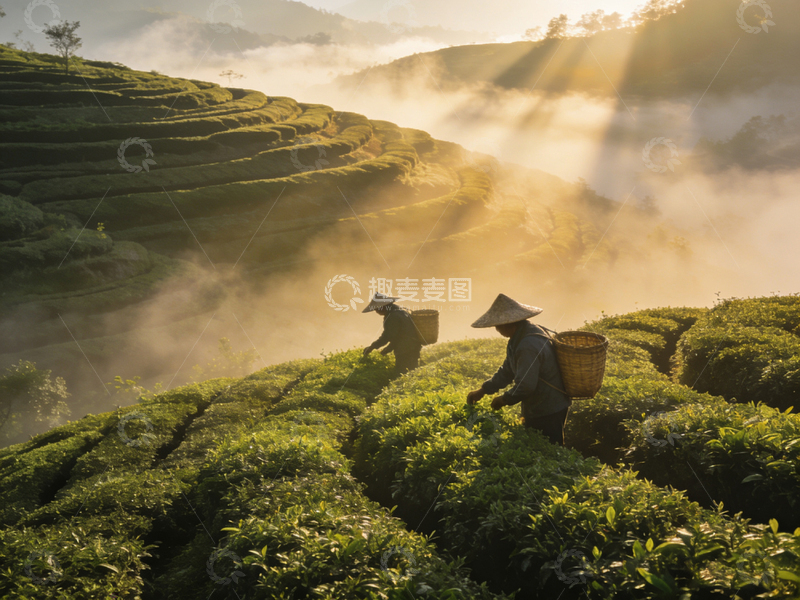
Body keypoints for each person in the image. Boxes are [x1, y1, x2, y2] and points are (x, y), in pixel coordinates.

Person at [466, 293, 571, 446]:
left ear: (510, 323)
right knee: (540, 447)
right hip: (543, 404)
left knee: (549, 449)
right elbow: (507, 370)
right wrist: (484, 390)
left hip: (548, 407)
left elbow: (526, 385)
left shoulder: (527, 345)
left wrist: (504, 400)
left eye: (498, 326)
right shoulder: (521, 336)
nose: (497, 330)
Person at [362, 293, 422, 377]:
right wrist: (388, 348)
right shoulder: (400, 311)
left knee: (403, 374)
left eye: (376, 309)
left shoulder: (392, 317)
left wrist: (372, 347)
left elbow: (388, 336)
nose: (376, 311)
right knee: (412, 372)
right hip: (414, 346)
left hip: (406, 349)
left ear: (383, 306)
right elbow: (398, 335)